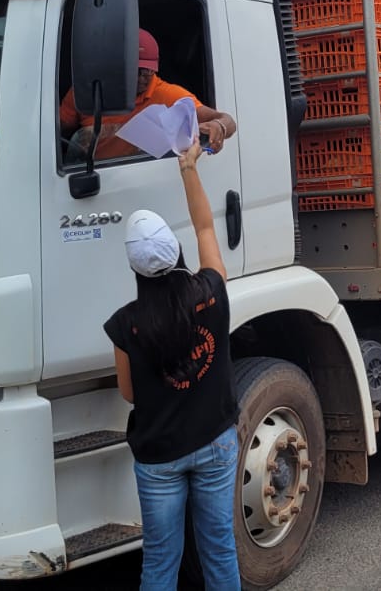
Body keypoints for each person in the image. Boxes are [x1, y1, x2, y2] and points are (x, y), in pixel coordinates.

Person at [103, 143, 240, 591]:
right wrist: (188, 168)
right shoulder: (211, 293)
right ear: (177, 251)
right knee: (218, 547)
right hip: (216, 443)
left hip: (160, 456)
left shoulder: (127, 324)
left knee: (162, 561)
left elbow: (129, 393)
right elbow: (205, 224)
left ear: (134, 269)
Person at [60, 28, 237, 160]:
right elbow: (58, 132)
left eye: (148, 72)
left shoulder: (168, 95)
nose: (143, 79)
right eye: (136, 72)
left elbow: (227, 120)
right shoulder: (86, 91)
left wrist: (219, 126)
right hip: (91, 177)